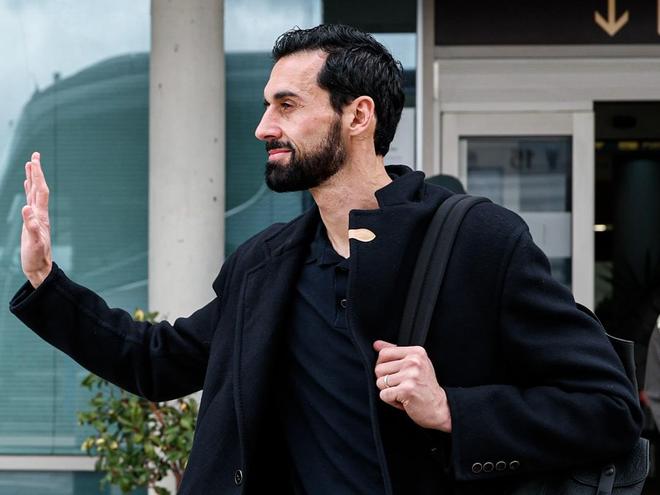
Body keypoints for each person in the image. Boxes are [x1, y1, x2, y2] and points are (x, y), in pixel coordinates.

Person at [11, 24, 642, 495]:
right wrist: (44, 279)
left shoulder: (478, 241)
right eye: (267, 105)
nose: (263, 126)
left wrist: (453, 409)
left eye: (286, 105)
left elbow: (608, 409)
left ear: (358, 115)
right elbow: (157, 362)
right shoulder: (264, 263)